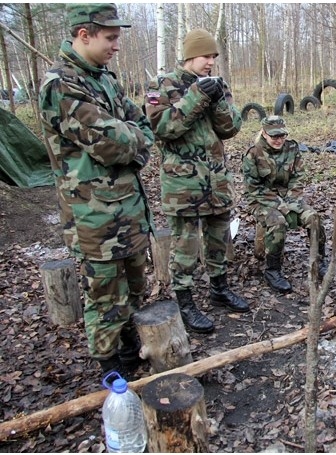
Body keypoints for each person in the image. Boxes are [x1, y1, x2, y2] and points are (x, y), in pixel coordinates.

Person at [38, 3, 154, 378]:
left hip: (129, 210)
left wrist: (133, 140)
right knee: (106, 297)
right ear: (83, 35)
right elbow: (111, 142)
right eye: (110, 38)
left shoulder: (103, 78)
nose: (116, 46)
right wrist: (131, 140)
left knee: (136, 287)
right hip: (94, 217)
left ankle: (128, 346)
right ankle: (110, 369)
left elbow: (141, 126)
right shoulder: (61, 84)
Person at [144, 29, 249, 334]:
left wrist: (216, 99)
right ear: (190, 55)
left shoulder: (218, 84)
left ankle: (219, 288)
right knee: (185, 248)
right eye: (206, 56)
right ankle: (186, 301)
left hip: (216, 181)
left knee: (219, 239)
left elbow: (231, 128)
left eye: (215, 56)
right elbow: (163, 128)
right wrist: (197, 96)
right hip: (183, 187)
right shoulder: (162, 86)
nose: (211, 62)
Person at [242, 116, 328, 293]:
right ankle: (273, 270)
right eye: (274, 136)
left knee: (313, 218)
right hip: (261, 200)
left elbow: (298, 177)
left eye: (282, 135)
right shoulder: (253, 154)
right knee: (278, 222)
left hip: (290, 198)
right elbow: (253, 189)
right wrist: (280, 204)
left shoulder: (292, 148)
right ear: (264, 134)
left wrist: (289, 201)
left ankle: (319, 261)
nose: (279, 140)